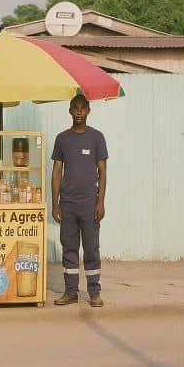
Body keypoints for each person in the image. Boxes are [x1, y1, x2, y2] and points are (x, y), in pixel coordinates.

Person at [50, 94, 108, 307]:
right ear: (70, 111)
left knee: (92, 248)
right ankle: (71, 291)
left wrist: (100, 202)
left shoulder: (97, 138)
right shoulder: (62, 139)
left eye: (83, 108)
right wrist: (55, 202)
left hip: (90, 205)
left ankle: (94, 292)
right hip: (67, 205)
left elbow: (103, 171)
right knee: (70, 248)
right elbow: (57, 171)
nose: (79, 112)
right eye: (75, 108)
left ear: (88, 111)